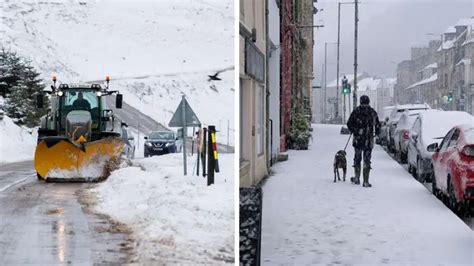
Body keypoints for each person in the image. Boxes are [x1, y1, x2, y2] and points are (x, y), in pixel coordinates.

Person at [346, 95, 380, 187]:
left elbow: (349, 124)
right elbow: (377, 125)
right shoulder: (372, 112)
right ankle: (366, 180)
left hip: (358, 140)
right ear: (368, 102)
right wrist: (376, 134)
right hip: (368, 140)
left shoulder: (356, 112)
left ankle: (357, 178)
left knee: (357, 158)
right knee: (367, 160)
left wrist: (355, 130)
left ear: (360, 102)